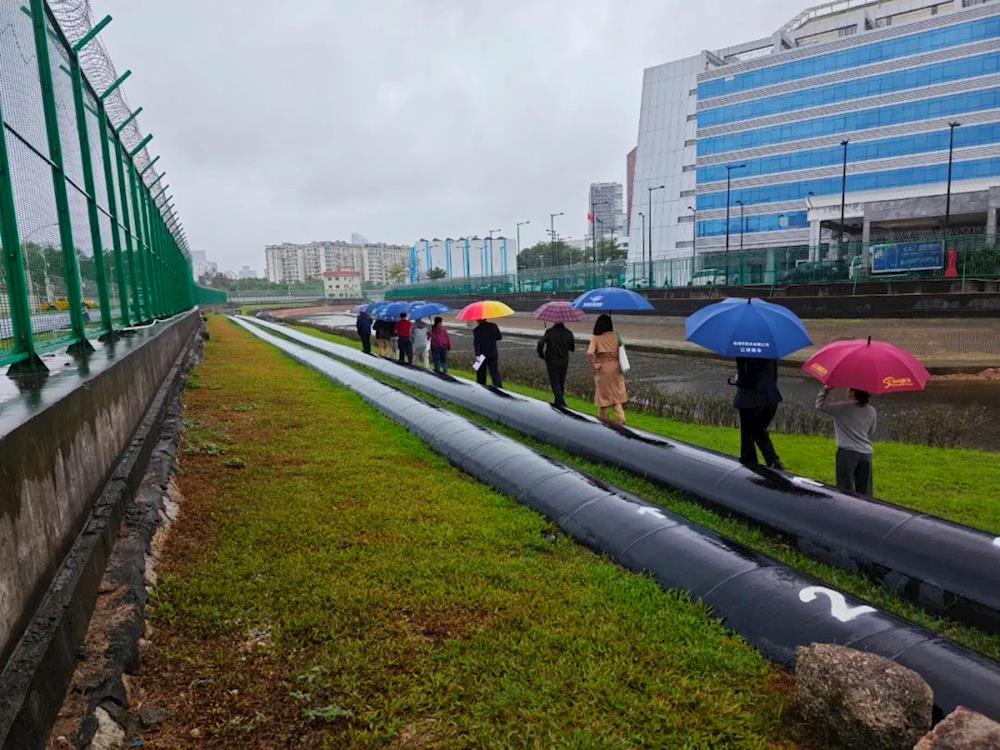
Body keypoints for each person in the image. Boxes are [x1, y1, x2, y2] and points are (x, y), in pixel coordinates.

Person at [816, 386, 877, 495]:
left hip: (847, 453)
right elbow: (871, 431)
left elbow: (820, 405)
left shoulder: (842, 408)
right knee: (865, 491)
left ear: (853, 393)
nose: (847, 391)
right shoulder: (872, 410)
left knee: (845, 489)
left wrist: (825, 390)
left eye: (849, 389)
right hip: (866, 454)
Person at [731, 357, 784, 470]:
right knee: (759, 432)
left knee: (747, 437)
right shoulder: (771, 353)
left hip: (749, 400)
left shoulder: (743, 353)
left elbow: (745, 380)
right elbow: (773, 377)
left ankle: (751, 467)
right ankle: (774, 462)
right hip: (770, 398)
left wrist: (737, 379)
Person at [587, 314, 627, 425]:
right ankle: (621, 417)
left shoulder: (595, 337)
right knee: (616, 394)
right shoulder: (617, 336)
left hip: (603, 368)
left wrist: (594, 365)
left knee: (603, 396)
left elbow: (590, 353)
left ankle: (602, 419)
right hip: (616, 368)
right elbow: (621, 350)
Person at [536, 321, 575, 408]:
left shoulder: (549, 332)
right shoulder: (568, 333)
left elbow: (540, 343)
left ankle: (561, 403)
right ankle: (558, 403)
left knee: (554, 383)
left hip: (552, 360)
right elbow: (572, 348)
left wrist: (541, 354)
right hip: (564, 361)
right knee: (561, 383)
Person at [473, 318, 503, 387]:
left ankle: (481, 387)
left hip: (482, 354)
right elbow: (499, 337)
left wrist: (477, 354)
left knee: (480, 374)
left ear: (478, 320)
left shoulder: (477, 329)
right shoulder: (493, 326)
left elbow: (476, 343)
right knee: (494, 373)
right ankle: (499, 388)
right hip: (493, 352)